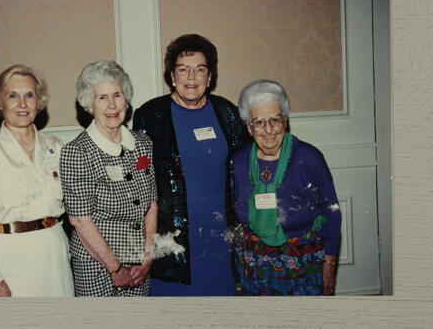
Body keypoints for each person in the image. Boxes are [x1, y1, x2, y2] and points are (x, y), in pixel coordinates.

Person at [132, 34, 249, 296]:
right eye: (183, 69)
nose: (192, 77)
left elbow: (244, 173)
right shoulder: (151, 116)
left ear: (210, 77)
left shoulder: (228, 113)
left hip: (220, 241)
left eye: (200, 69)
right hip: (173, 244)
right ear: (172, 76)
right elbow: (139, 181)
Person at [0, 64, 74, 297]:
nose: (22, 104)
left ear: (39, 101)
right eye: (13, 96)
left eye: (29, 95)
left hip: (54, 255)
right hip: (9, 262)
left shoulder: (56, 147)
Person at [233, 79, 342, 296]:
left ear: (286, 121)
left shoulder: (309, 158)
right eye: (259, 122)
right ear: (248, 126)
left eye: (275, 120)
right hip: (255, 267)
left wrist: (329, 265)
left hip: (304, 264)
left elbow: (332, 213)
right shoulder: (237, 164)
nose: (269, 130)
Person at [60, 60, 158, 297]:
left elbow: (151, 203)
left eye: (117, 95)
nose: (112, 105)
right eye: (102, 98)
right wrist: (115, 269)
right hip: (98, 267)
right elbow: (80, 221)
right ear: (89, 104)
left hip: (138, 266)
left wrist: (147, 256)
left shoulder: (143, 144)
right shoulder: (77, 151)